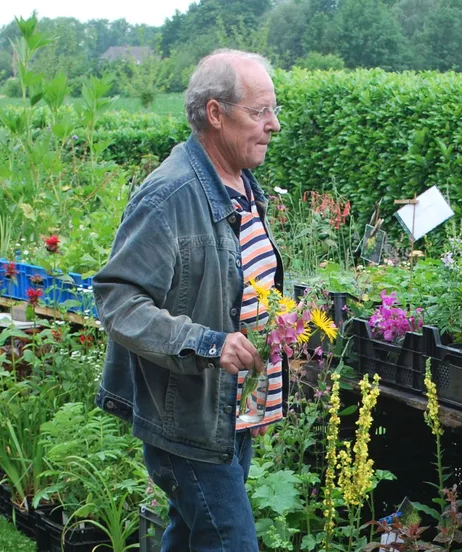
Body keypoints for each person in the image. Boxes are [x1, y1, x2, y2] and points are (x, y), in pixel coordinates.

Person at [92, 49, 283, 552]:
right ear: (216, 114)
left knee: (189, 536)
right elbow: (118, 300)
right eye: (260, 112)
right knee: (231, 543)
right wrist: (208, 343)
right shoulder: (171, 195)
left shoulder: (241, 185)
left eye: (274, 110)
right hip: (189, 422)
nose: (274, 125)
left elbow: (236, 289)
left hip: (227, 415)